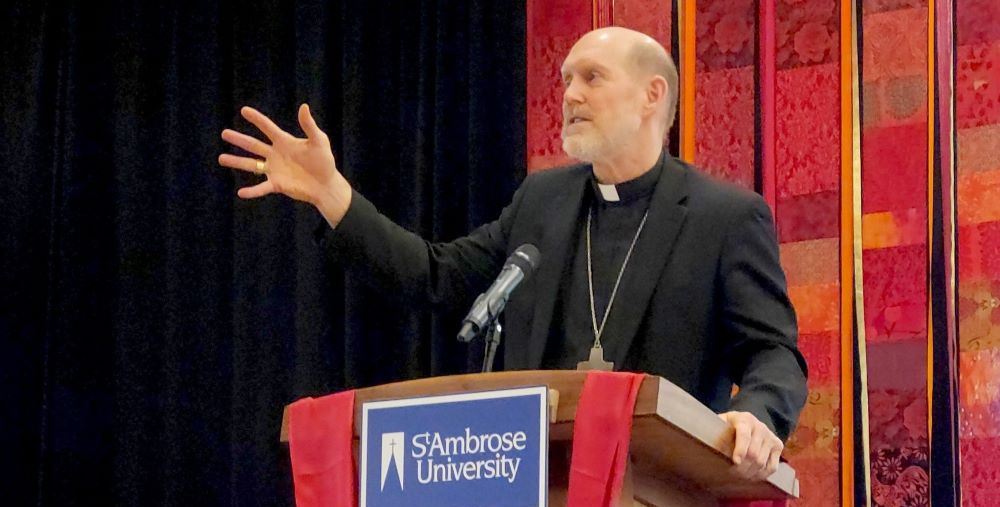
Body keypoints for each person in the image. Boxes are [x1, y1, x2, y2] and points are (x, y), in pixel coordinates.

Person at [218, 27, 807, 481]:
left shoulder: (725, 217)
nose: (570, 94)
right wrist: (333, 196)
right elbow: (438, 277)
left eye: (591, 77)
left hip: (657, 490)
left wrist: (757, 414)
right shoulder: (542, 201)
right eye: (565, 79)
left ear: (652, 94)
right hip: (531, 489)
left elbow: (772, 351)